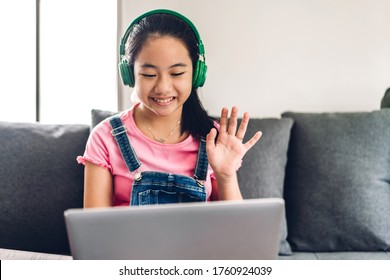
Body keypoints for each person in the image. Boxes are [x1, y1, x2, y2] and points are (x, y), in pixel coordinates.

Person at [77, 9, 261, 207]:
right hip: (128, 240)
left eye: (176, 73)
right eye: (148, 75)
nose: (163, 88)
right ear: (130, 75)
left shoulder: (214, 139)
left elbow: (234, 230)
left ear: (197, 74)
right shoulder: (106, 137)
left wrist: (225, 176)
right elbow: (96, 231)